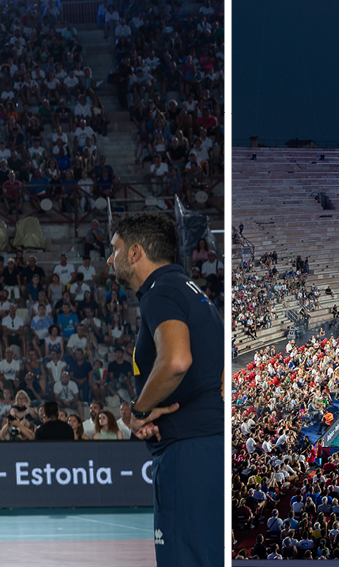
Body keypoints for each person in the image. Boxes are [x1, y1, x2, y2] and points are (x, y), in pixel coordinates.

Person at [109, 212, 225, 567]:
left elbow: (176, 360)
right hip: (208, 445)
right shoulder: (191, 290)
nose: (109, 258)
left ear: (135, 253)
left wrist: (140, 410)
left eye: (114, 249)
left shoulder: (160, 293)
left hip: (187, 452)